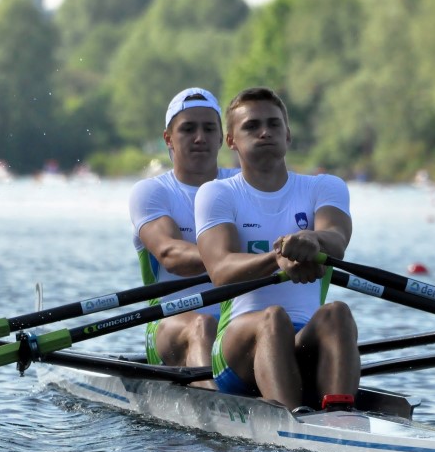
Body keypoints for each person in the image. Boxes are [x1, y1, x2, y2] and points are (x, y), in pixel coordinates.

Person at [194, 86, 359, 411]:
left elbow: (336, 240)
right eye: (252, 126)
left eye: (273, 124)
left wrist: (312, 240)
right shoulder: (217, 193)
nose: (265, 132)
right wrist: (277, 259)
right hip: (237, 348)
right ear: (231, 140)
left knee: (337, 313)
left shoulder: (324, 187)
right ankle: (289, 421)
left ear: (288, 135)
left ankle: (340, 416)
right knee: (273, 317)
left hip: (305, 340)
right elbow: (221, 271)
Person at [129, 87, 238, 386]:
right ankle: (217, 406)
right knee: (202, 324)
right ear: (168, 138)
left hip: (236, 325)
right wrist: (243, 258)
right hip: (170, 326)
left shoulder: (241, 185)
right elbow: (172, 256)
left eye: (209, 129)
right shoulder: (153, 192)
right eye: (188, 129)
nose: (200, 137)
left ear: (222, 137)